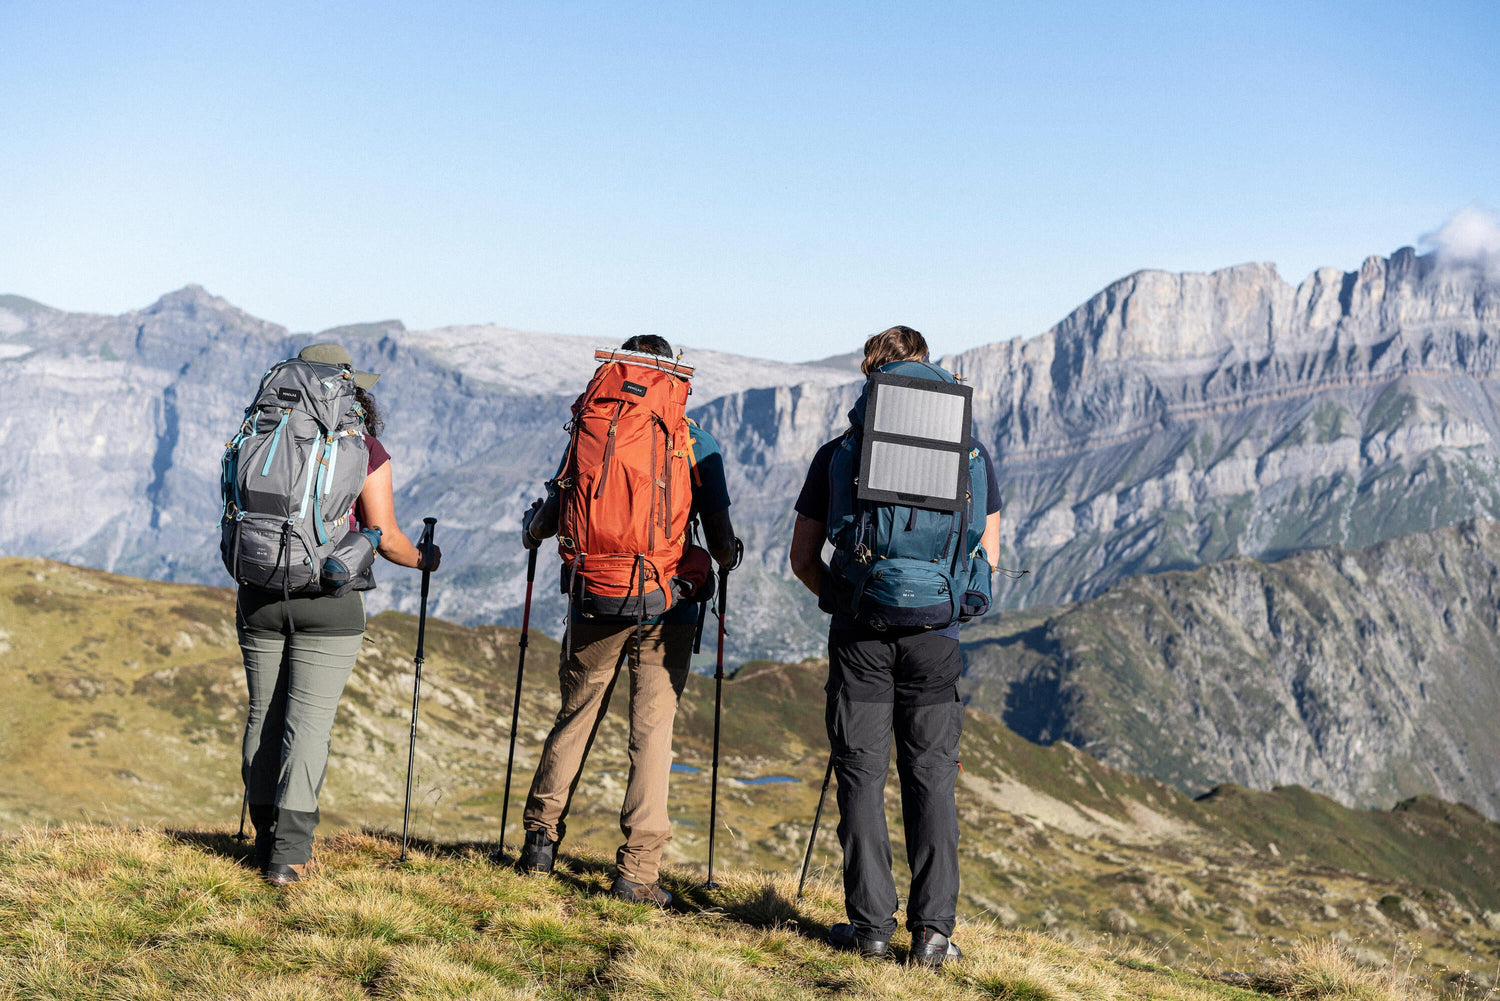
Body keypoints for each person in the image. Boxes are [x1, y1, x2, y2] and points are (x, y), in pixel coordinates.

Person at [788, 325, 1001, 967]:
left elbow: (802, 559)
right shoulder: (970, 453)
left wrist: (849, 598)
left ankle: (871, 928)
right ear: (931, 370)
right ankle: (934, 935)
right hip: (936, 637)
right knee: (931, 778)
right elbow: (986, 556)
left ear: (871, 376)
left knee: (859, 772)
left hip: (861, 635)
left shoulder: (841, 451)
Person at [514, 334, 737, 906]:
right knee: (651, 734)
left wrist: (532, 530)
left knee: (578, 712)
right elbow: (719, 539)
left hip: (595, 594)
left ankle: (539, 840)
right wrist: (726, 553)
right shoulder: (691, 438)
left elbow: (559, 507)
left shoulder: (594, 425)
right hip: (668, 604)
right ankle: (637, 873)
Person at [237, 343, 441, 886]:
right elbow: (389, 537)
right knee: (308, 726)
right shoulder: (364, 446)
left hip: (259, 590)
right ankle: (289, 854)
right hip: (329, 599)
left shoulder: (261, 431)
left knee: (264, 714)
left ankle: (263, 835)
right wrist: (427, 560)